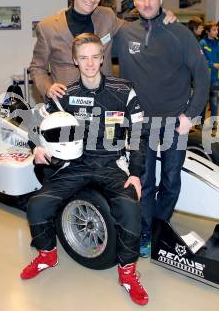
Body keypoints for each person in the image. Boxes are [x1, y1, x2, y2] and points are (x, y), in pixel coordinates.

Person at [22, 33, 150, 306]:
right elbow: (35, 123)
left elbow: (139, 133)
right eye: (83, 58)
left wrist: (136, 173)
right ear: (74, 60)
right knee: (37, 206)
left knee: (130, 209)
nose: (90, 63)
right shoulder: (65, 94)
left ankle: (127, 273)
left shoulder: (124, 89)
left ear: (102, 58)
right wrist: (37, 146)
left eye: (95, 57)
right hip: (75, 164)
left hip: (111, 164)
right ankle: (47, 255)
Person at [113, 0, 209, 257]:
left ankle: (159, 223)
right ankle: (145, 230)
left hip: (173, 123)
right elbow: (93, 52)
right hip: (140, 123)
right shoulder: (124, 33)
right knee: (143, 180)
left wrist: (191, 115)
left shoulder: (180, 32)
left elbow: (202, 75)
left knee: (170, 179)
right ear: (134, 0)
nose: (146, 4)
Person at [29, 0, 176, 100]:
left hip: (104, 101)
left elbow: (135, 29)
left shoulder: (106, 16)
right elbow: (37, 68)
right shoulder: (48, 27)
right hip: (67, 102)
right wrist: (48, 88)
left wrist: (161, 14)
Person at [200, 21, 219, 119]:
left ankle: (214, 122)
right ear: (208, 31)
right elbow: (201, 60)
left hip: (216, 78)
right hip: (205, 78)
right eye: (214, 30)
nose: (217, 31)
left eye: (217, 29)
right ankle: (200, 122)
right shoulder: (202, 43)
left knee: (215, 100)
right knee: (203, 101)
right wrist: (212, 65)